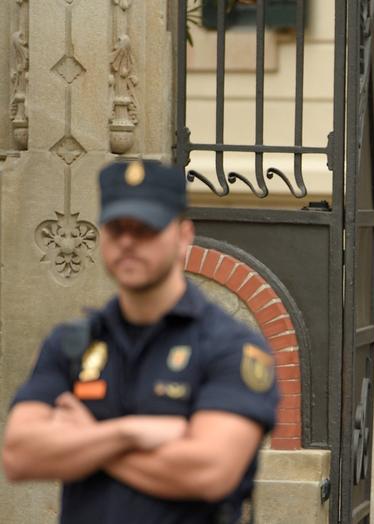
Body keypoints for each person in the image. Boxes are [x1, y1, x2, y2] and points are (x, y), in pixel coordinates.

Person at [2, 160, 280, 523]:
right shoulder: (73, 342)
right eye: (116, 229)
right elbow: (19, 455)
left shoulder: (230, 347)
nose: (129, 242)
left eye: (146, 228)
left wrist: (86, 439)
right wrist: (126, 433)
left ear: (183, 236)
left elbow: (210, 473)